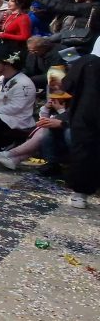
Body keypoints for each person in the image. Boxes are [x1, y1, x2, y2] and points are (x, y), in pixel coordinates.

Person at [0, 92, 70, 174]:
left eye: (56, 100)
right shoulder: (53, 111)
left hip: (63, 138)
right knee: (43, 133)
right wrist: (46, 108)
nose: (53, 102)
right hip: (47, 138)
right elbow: (43, 119)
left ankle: (10, 154)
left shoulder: (69, 111)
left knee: (44, 132)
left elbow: (68, 122)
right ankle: (14, 160)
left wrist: (61, 110)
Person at [62, 47, 100, 209]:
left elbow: (66, 85)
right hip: (89, 113)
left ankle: (80, 194)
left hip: (88, 114)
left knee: (84, 151)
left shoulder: (88, 61)